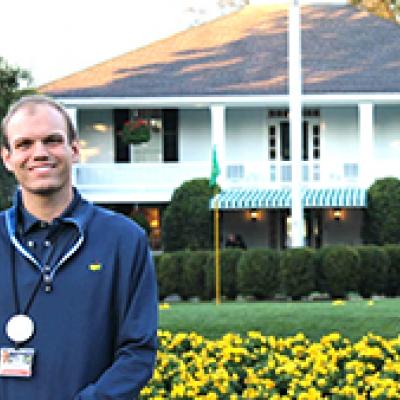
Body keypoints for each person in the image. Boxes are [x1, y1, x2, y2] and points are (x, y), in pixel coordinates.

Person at [0, 95, 158, 399]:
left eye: (52, 140)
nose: (40, 153)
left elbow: (137, 352)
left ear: (74, 150)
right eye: (24, 144)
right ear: (7, 158)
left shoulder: (124, 240)